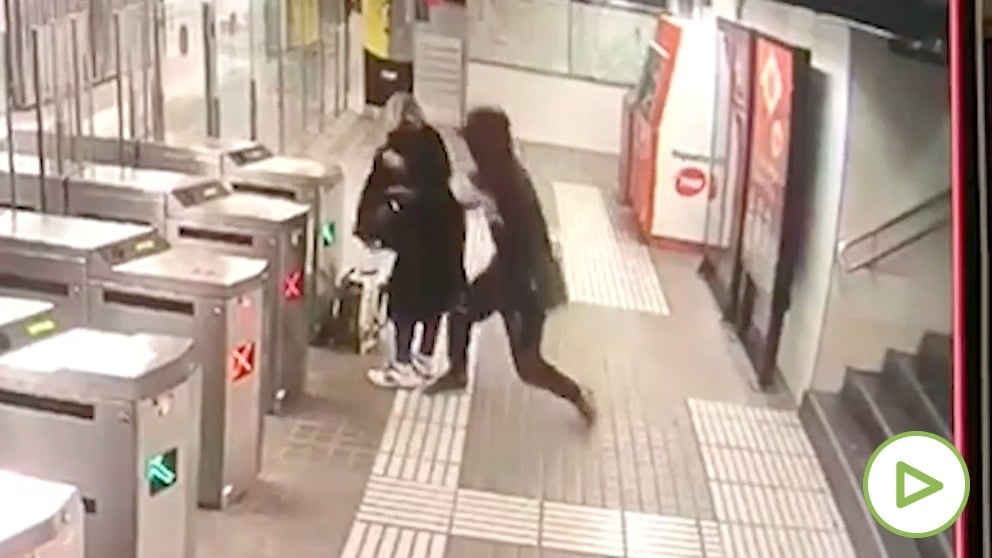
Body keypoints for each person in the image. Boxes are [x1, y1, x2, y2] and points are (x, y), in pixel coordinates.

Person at [423, 107, 596, 426]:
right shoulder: (499, 170)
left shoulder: (504, 179)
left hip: (526, 285)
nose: (469, 150)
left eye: (472, 142)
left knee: (528, 366)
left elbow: (460, 192)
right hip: (504, 270)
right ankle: (457, 373)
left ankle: (577, 394)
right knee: (461, 311)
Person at [355, 95, 464, 387]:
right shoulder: (434, 139)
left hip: (418, 234)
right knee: (437, 298)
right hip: (448, 228)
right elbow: (443, 178)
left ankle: (401, 366)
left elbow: (375, 192)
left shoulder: (392, 151)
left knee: (404, 302)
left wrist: (368, 231)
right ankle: (425, 360)